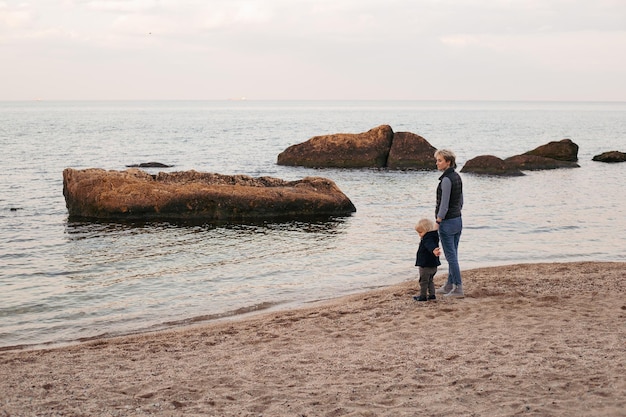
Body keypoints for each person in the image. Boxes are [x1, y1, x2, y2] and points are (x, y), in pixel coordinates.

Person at [434, 149, 464, 298]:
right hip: (458, 220)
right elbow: (461, 201)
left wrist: (438, 221)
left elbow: (444, 205)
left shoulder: (446, 180)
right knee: (454, 255)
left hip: (447, 223)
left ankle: (458, 288)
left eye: (440, 160)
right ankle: (449, 285)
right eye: (437, 160)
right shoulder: (457, 177)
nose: (437, 163)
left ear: (448, 162)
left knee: (451, 257)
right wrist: (456, 213)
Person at [413, 218, 441, 302]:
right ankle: (432, 295)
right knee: (430, 281)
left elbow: (430, 245)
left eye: (421, 232)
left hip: (425, 265)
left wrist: (434, 250)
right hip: (433, 265)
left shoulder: (427, 238)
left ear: (426, 230)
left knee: (423, 282)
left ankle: (423, 296)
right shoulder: (434, 236)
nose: (420, 235)